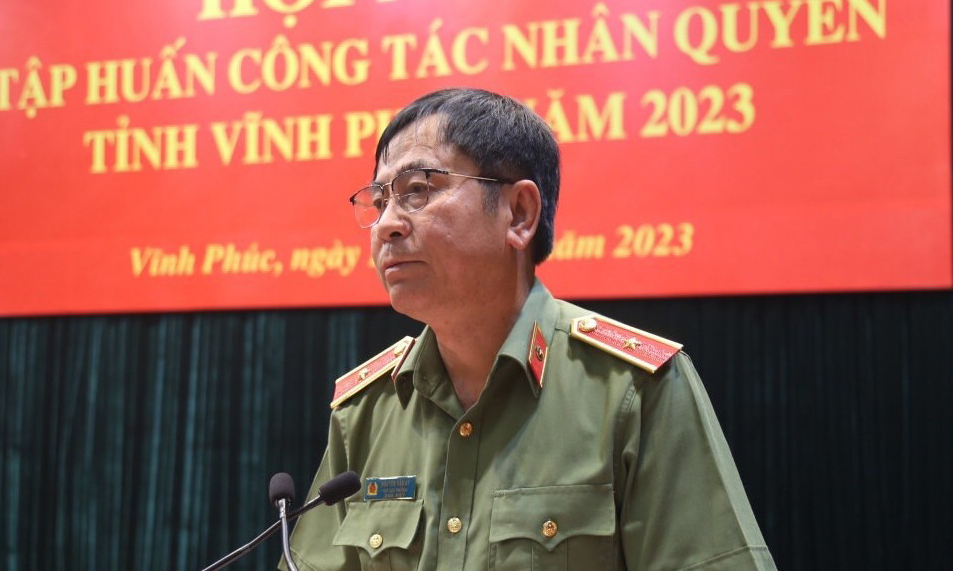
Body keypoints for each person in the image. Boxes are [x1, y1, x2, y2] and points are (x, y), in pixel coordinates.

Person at [288, 88, 776, 570]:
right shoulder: (366, 412)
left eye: (417, 190)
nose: (385, 225)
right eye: (379, 202)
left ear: (519, 214)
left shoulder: (633, 390)